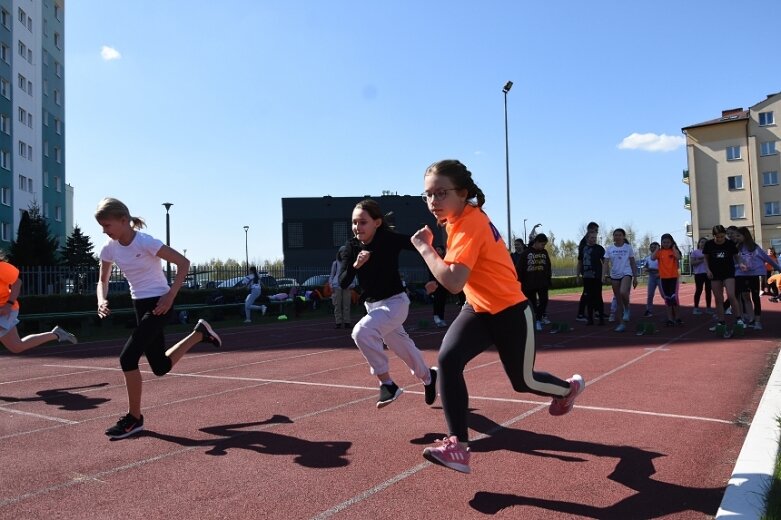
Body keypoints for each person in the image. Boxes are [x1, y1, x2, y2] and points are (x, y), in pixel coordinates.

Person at [411, 159, 583, 474]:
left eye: (440, 193)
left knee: (523, 381)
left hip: (510, 311)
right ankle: (458, 447)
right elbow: (464, 270)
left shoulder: (469, 223)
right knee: (448, 362)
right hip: (477, 308)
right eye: (427, 195)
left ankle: (568, 389)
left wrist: (425, 249)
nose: (433, 202)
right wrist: (441, 271)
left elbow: (453, 282)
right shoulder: (456, 219)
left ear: (462, 193)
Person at [95, 198, 222, 439]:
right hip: (139, 304)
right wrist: (101, 300)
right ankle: (199, 333)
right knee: (160, 367)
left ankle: (134, 419)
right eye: (102, 227)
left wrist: (169, 297)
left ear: (123, 221)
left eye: (107, 225)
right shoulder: (108, 248)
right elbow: (102, 280)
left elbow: (184, 263)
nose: (104, 231)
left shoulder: (146, 242)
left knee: (127, 358)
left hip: (160, 304)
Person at [338, 199, 437, 409]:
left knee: (361, 332)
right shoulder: (351, 247)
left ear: (377, 222)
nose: (357, 227)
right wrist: (356, 265)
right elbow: (343, 282)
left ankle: (387, 384)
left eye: (363, 222)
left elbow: (422, 248)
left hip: (395, 303)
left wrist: (433, 278)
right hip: (373, 306)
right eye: (354, 223)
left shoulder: (388, 239)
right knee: (402, 347)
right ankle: (429, 377)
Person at [0, 253, 77, 353]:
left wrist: (8, 305)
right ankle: (57, 334)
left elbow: (17, 283)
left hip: (6, 308)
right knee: (17, 347)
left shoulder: (2, 267)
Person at [734, 227, 780, 330]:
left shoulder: (755, 248)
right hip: (741, 275)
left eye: (738, 236)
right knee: (744, 296)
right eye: (736, 236)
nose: (736, 238)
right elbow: (732, 261)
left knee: (755, 296)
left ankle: (757, 320)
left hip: (753, 275)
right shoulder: (736, 248)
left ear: (745, 236)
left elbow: (767, 258)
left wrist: (778, 268)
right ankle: (748, 319)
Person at [703, 225, 743, 337]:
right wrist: (707, 270)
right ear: (713, 236)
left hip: (728, 272)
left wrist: (741, 263)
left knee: (731, 295)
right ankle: (721, 321)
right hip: (715, 274)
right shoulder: (709, 244)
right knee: (718, 298)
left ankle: (738, 319)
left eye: (722, 236)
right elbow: (705, 258)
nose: (720, 239)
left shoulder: (729, 244)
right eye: (718, 237)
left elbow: (737, 256)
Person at [603, 228, 638, 332]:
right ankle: (621, 324)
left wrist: (635, 277)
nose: (617, 237)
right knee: (618, 301)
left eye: (619, 235)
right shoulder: (609, 248)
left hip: (626, 273)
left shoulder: (628, 248)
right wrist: (604, 275)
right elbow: (605, 263)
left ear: (623, 236)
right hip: (615, 275)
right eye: (615, 235)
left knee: (623, 292)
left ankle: (627, 308)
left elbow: (632, 262)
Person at [517, 233, 552, 331]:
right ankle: (536, 320)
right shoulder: (526, 253)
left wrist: (548, 279)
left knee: (544, 301)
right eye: (542, 244)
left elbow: (548, 266)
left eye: (544, 245)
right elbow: (520, 269)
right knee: (532, 304)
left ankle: (538, 318)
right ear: (536, 242)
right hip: (529, 284)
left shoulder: (544, 252)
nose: (543, 247)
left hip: (542, 282)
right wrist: (519, 282)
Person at [652, 234, 682, 326]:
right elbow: (652, 258)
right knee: (668, 299)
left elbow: (678, 257)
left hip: (673, 277)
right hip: (664, 278)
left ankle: (677, 317)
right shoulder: (660, 252)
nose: (666, 244)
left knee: (674, 298)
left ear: (671, 242)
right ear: (661, 243)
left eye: (668, 242)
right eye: (664, 242)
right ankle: (670, 319)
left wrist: (673, 248)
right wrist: (657, 248)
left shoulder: (673, 251)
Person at [576, 230, 605, 325]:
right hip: (587, 277)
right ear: (587, 238)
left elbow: (604, 262)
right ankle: (590, 319)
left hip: (597, 276)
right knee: (588, 298)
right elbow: (579, 262)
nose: (594, 239)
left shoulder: (599, 248)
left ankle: (601, 318)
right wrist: (577, 275)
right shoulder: (583, 249)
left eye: (595, 238)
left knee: (598, 297)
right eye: (592, 238)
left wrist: (604, 275)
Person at [329, 246, 355, 329]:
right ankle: (338, 322)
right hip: (336, 286)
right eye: (342, 252)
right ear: (339, 253)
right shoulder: (335, 263)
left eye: (345, 252)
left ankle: (347, 322)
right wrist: (331, 285)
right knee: (337, 305)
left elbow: (352, 275)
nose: (343, 253)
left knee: (346, 305)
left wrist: (352, 284)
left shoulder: (350, 263)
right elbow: (332, 275)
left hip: (347, 286)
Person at [426, 245, 449, 327]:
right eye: (436, 249)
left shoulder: (446, 260)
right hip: (435, 283)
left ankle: (441, 318)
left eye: (439, 249)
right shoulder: (433, 259)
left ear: (443, 251)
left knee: (442, 301)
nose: (437, 251)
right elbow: (430, 271)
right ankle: (436, 317)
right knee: (437, 301)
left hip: (444, 284)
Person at [691, 237, 712, 315]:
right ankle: (696, 308)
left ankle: (709, 308)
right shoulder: (695, 252)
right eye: (702, 242)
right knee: (699, 290)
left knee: (708, 291)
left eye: (705, 242)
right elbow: (692, 263)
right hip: (699, 274)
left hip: (708, 273)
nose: (703, 244)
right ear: (699, 243)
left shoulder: (709, 252)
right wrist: (702, 259)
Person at [642, 242, 662, 317]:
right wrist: (647, 269)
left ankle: (670, 308)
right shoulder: (648, 258)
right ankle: (648, 310)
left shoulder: (660, 257)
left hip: (660, 277)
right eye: (652, 247)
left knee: (663, 294)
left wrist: (658, 271)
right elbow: (645, 268)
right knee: (650, 294)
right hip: (652, 276)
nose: (653, 249)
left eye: (655, 247)